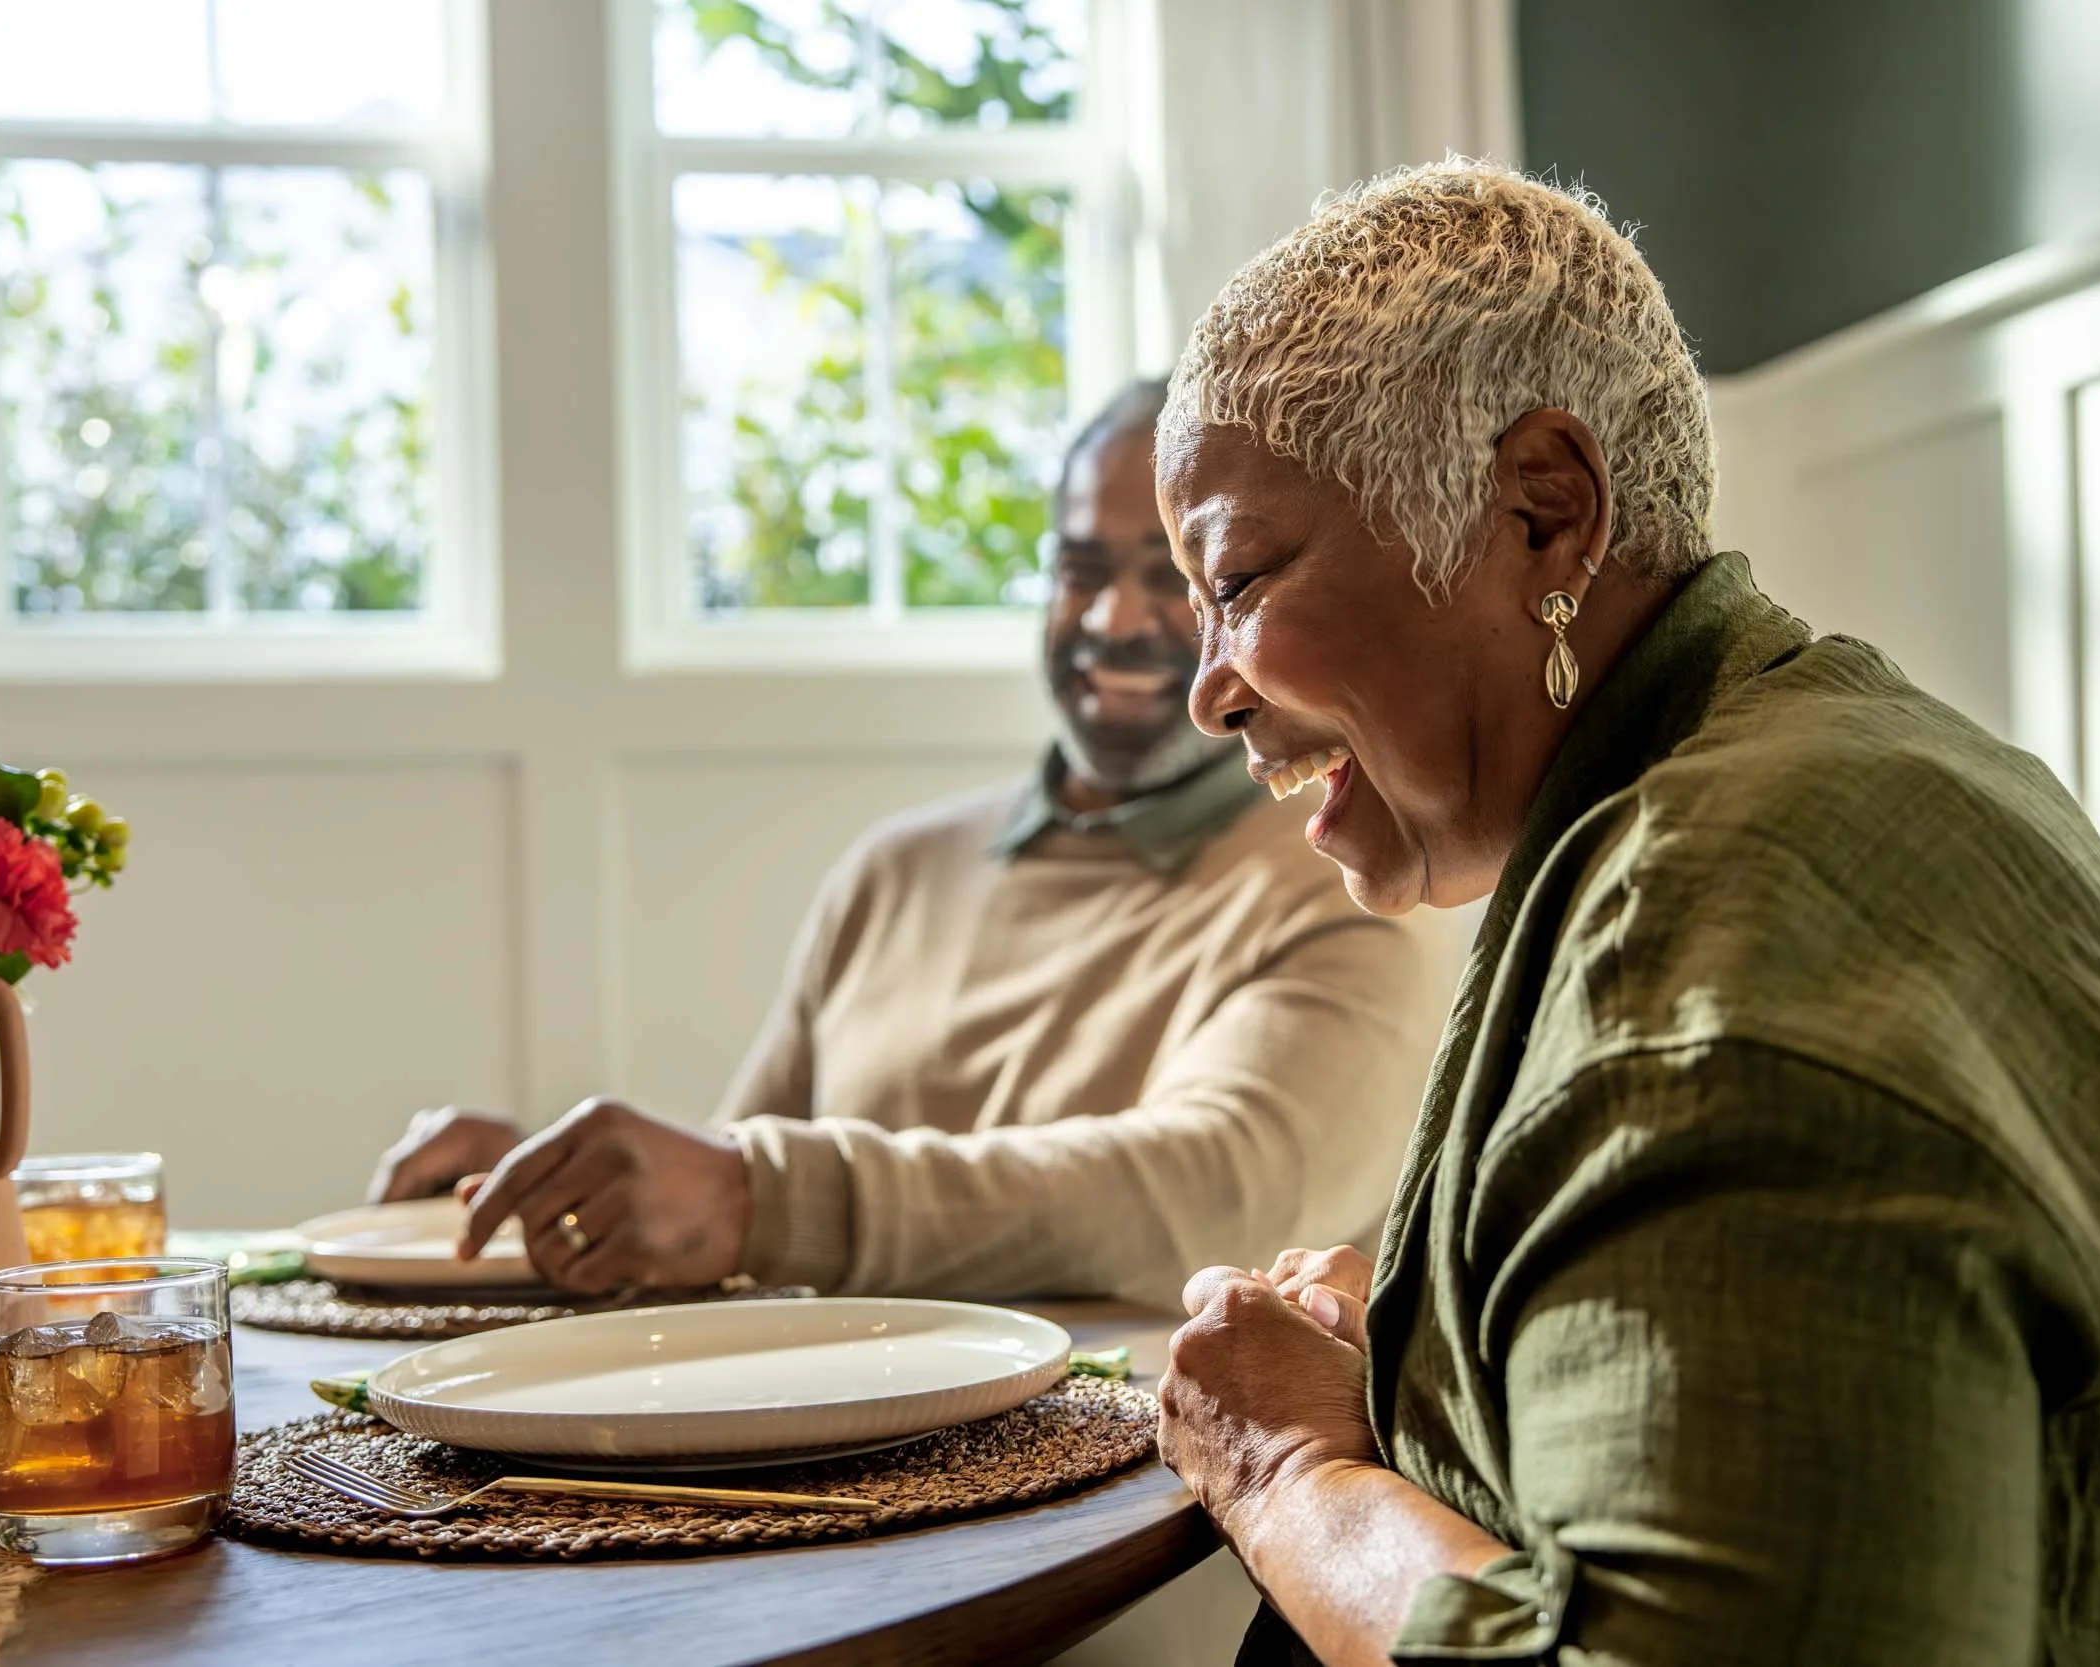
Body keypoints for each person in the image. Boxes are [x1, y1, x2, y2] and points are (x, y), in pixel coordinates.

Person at [1150, 162, 2100, 1665]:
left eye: (1237, 578)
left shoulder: (1706, 943)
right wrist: (1456, 1358)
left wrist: (1287, 1472)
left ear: (1544, 512)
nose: (1208, 687)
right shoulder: (1835, 755)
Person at [370, 381, 1457, 1309]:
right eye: (1079, 569)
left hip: (1119, 1514)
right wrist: (553, 1195)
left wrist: (765, 1196)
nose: (1115, 619)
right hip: (802, 1479)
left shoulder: (1351, 877)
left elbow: (1215, 1189)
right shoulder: (897, 869)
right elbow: (722, 1211)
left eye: (1175, 579)